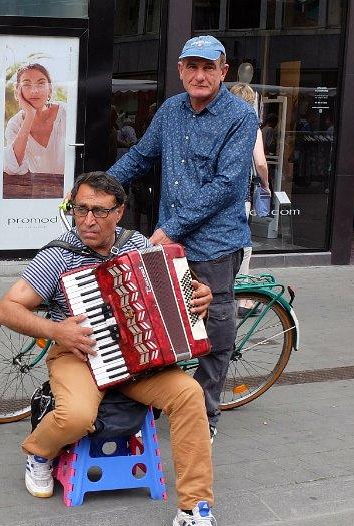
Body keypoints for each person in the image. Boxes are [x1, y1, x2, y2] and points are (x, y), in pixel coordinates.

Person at [0, 172, 224, 526]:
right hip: (78, 355)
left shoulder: (138, 245)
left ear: (118, 212)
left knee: (189, 394)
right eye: (80, 209)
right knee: (76, 416)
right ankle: (38, 452)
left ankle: (194, 511)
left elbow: (178, 289)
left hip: (139, 361)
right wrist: (57, 330)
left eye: (99, 211)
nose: (87, 220)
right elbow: (5, 309)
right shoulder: (58, 255)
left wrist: (198, 294)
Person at [107, 35, 257, 442]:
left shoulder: (240, 117)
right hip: (170, 241)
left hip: (214, 243)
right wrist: (99, 189)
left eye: (209, 67)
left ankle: (206, 416)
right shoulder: (171, 110)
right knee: (158, 322)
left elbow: (227, 185)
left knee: (214, 330)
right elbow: (140, 156)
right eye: (192, 67)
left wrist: (171, 228)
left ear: (224, 72)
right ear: (180, 71)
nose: (200, 75)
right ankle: (161, 399)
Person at [229, 82, 271, 315]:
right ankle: (244, 301)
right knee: (243, 248)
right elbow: (261, 163)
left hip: (218, 198)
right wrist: (265, 184)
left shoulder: (220, 124)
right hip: (240, 197)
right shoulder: (250, 126)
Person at [4, 63, 67, 176]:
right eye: (27, 84)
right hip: (37, 190)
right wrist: (29, 115)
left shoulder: (67, 113)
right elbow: (12, 167)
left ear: (50, 89)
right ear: (18, 90)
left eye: (41, 83)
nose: (34, 91)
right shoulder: (15, 124)